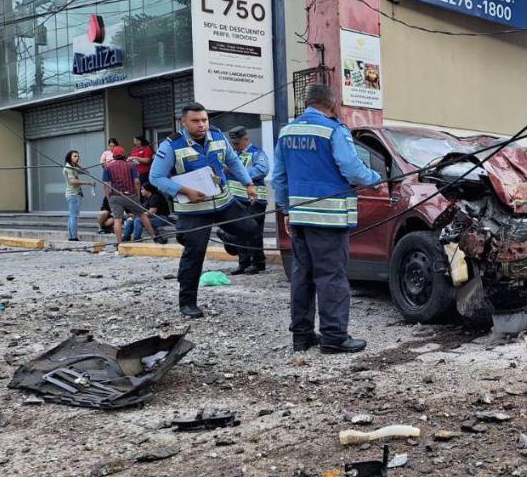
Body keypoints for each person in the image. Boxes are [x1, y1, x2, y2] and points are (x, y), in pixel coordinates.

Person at [272, 84, 380, 354]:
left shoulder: (286, 132)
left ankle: (302, 336)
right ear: (332, 104)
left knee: (303, 276)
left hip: (299, 217)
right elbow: (352, 168)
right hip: (329, 219)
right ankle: (334, 338)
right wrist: (374, 180)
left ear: (308, 103)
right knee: (331, 277)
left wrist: (286, 209)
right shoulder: (334, 130)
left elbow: (278, 178)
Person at [150, 102, 262, 319]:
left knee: (250, 229)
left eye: (204, 120)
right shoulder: (171, 146)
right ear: (183, 122)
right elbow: (156, 177)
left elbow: (233, 162)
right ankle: (188, 302)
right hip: (193, 209)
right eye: (195, 121)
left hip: (223, 202)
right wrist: (183, 190)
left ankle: (226, 237)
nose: (202, 125)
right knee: (195, 253)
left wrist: (249, 184)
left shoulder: (219, 137)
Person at [225, 126, 270, 275]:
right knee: (239, 232)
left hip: (255, 200)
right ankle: (243, 263)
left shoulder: (256, 153)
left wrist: (241, 173)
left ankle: (258, 263)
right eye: (233, 143)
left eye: (237, 143)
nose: (234, 146)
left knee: (254, 232)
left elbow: (262, 169)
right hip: (237, 200)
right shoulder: (232, 156)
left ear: (246, 139)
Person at [102, 146, 140, 244]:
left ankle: (119, 243)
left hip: (116, 196)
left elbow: (106, 185)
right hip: (130, 195)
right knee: (139, 215)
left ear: (113, 156)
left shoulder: (108, 167)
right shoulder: (130, 165)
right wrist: (137, 194)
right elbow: (137, 182)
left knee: (117, 220)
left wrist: (108, 197)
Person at [63, 150, 95, 242]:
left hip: (72, 194)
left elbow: (86, 172)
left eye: (78, 156)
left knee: (72, 216)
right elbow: (73, 181)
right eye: (75, 156)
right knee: (74, 216)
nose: (77, 158)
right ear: (70, 157)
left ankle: (72, 236)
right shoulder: (69, 168)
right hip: (73, 194)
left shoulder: (72, 167)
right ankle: (74, 237)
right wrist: (88, 183)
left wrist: (78, 164)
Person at [97, 138, 119, 234]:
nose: (112, 147)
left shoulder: (118, 153)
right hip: (108, 174)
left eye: (114, 146)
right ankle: (101, 228)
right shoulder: (106, 153)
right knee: (108, 191)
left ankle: (110, 226)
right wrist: (107, 164)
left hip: (117, 175)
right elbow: (101, 162)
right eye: (110, 146)